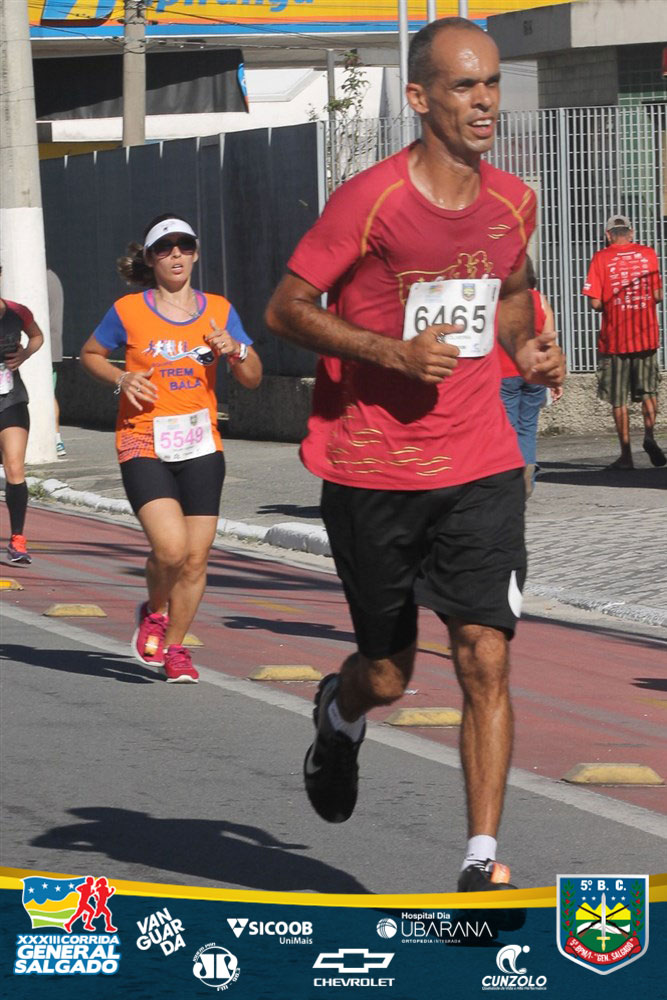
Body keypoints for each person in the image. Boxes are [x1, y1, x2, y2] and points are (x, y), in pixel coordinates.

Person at [265, 17, 564, 894]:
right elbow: (285, 308)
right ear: (419, 97)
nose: (484, 102)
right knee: (390, 675)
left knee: (484, 654)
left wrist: (526, 349)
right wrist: (390, 353)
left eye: (492, 83)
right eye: (464, 86)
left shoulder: (512, 201)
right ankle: (339, 711)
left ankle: (479, 860)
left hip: (480, 460)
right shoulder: (371, 201)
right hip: (373, 468)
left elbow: (511, 294)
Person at [81, 214, 262, 683]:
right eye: (165, 248)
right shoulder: (128, 311)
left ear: (196, 253)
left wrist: (237, 350)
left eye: (185, 245)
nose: (176, 254)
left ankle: (176, 647)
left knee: (196, 558)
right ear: (150, 258)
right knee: (171, 548)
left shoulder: (219, 309)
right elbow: (90, 354)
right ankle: (154, 610)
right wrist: (122, 378)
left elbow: (252, 378)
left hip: (200, 442)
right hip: (143, 438)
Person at [583, 214, 665, 470]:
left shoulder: (600, 258)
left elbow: (595, 302)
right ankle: (649, 436)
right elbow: (658, 295)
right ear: (631, 232)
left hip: (615, 340)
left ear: (608, 235)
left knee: (619, 399)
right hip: (646, 336)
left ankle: (626, 455)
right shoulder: (648, 254)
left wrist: (611, 303)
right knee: (649, 392)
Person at [499, 256, 562, 495]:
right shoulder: (540, 300)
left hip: (504, 373)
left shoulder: (499, 301)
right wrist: (554, 379)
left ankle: (510, 477)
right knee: (528, 427)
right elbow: (550, 340)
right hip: (535, 374)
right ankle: (527, 467)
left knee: (507, 428)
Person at [0, 266, 45, 565]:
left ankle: (17, 540)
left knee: (15, 467)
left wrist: (25, 354)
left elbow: (37, 336)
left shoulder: (18, 312)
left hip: (11, 399)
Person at [47, 268, 66, 457]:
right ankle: (56, 438)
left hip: (40, 349)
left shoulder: (38, 279)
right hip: (52, 347)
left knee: (46, 394)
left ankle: (55, 438)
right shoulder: (52, 277)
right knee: (49, 393)